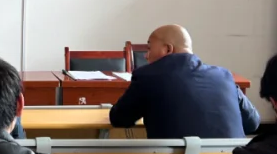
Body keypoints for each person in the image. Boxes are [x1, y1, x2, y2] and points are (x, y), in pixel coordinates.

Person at [110, 25, 260, 138]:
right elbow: (252, 123)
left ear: (168, 49)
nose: (146, 55)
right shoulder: (224, 76)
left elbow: (119, 119)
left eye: (149, 48)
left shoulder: (147, 76)